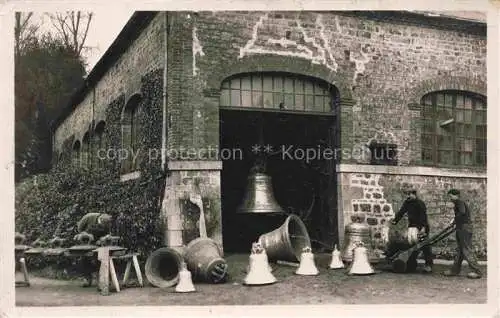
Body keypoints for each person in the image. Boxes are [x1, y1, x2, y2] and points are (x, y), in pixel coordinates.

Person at [443, 189, 482, 279]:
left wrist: (454, 220)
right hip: (461, 227)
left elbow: (462, 212)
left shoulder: (459, 202)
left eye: (450, 196)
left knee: (466, 250)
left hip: (465, 228)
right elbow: (461, 214)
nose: (450, 198)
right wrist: (454, 223)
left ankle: (477, 271)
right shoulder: (458, 202)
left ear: (456, 195)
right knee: (460, 250)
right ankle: (455, 270)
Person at [391, 189, 433, 273]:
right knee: (412, 246)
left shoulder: (420, 203)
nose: (407, 196)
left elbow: (423, 216)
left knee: (424, 246)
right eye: (406, 195)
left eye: (409, 194)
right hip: (412, 226)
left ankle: (428, 265)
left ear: (414, 194)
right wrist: (395, 220)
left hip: (421, 226)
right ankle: (411, 262)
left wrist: (423, 228)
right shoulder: (407, 203)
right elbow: (401, 211)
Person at [75, 212, 113, 287]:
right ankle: (87, 279)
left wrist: (104, 238)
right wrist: (86, 235)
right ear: (100, 220)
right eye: (103, 225)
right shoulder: (89, 217)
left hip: (99, 243)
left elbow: (108, 233)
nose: (104, 226)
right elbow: (79, 228)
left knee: (100, 258)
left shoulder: (107, 222)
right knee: (85, 258)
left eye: (106, 225)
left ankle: (102, 280)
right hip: (86, 241)